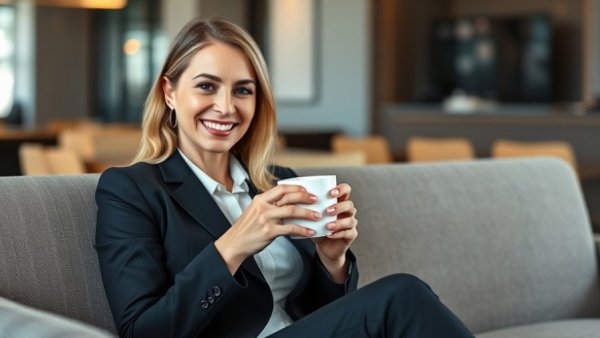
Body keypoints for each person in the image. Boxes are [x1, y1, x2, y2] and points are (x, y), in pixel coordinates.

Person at [94, 17, 474, 338]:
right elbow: (141, 331)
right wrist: (234, 245)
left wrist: (332, 261)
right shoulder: (131, 190)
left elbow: (326, 317)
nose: (226, 107)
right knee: (402, 294)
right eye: (207, 86)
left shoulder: (277, 183)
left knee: (406, 302)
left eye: (243, 90)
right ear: (170, 92)